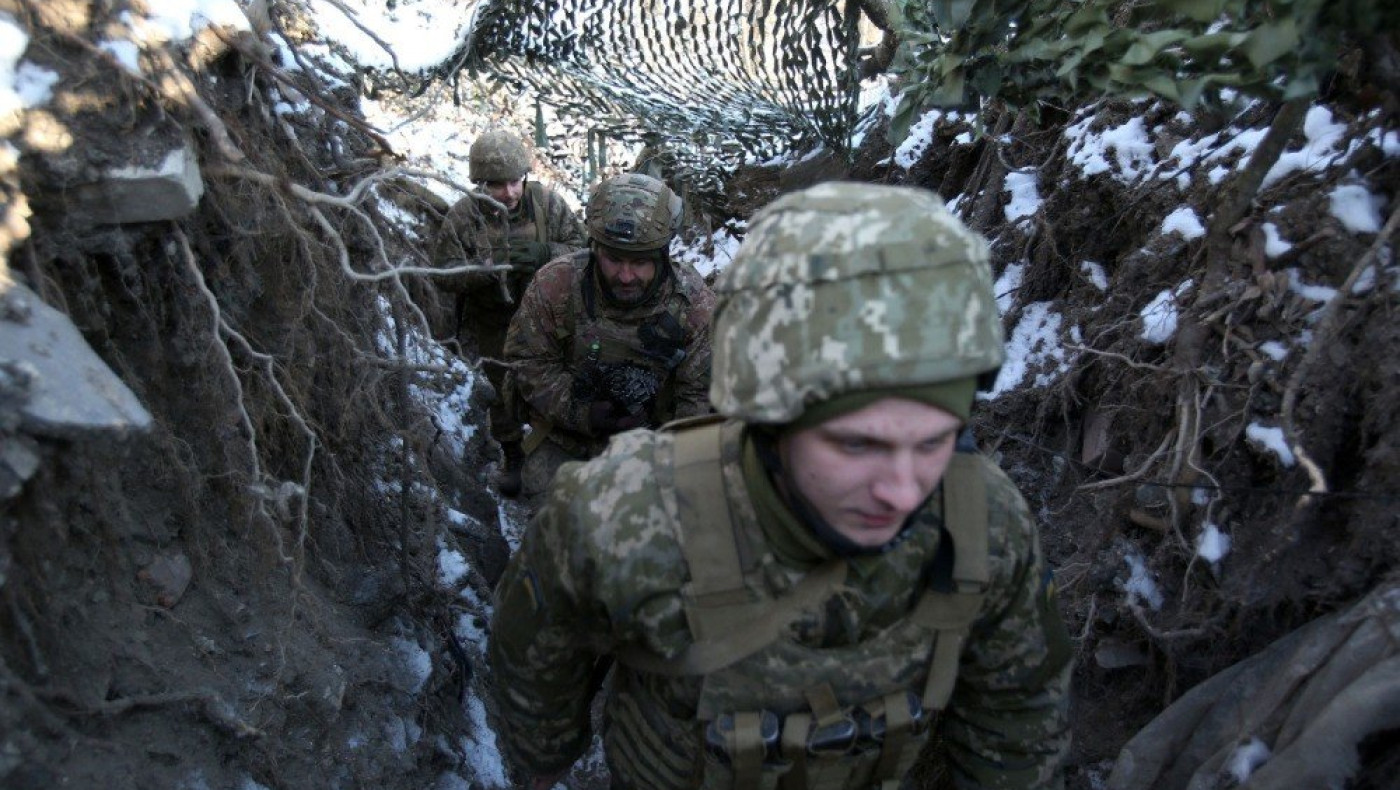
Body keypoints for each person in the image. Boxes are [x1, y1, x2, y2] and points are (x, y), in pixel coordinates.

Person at [489, 182, 1072, 790]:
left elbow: (1019, 717)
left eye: (933, 441)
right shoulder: (622, 517)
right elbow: (537, 670)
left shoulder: (985, 526)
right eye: (856, 444)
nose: (902, 493)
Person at [503, 172, 715, 504]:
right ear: (595, 248)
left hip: (656, 442)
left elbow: (698, 399)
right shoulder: (555, 285)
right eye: (614, 259)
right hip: (568, 435)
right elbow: (529, 365)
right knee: (555, 514)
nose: (626, 276)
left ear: (662, 255)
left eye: (640, 262)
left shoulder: (693, 304)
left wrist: (665, 459)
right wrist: (583, 413)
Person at [431, 128, 587, 496]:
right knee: (503, 391)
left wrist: (544, 255)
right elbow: (444, 272)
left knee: (559, 381)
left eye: (516, 182)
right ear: (481, 184)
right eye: (498, 185)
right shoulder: (464, 217)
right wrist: (488, 269)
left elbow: (582, 250)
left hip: (549, 320)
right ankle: (513, 456)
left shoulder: (548, 205)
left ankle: (561, 452)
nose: (510, 193)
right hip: (494, 322)